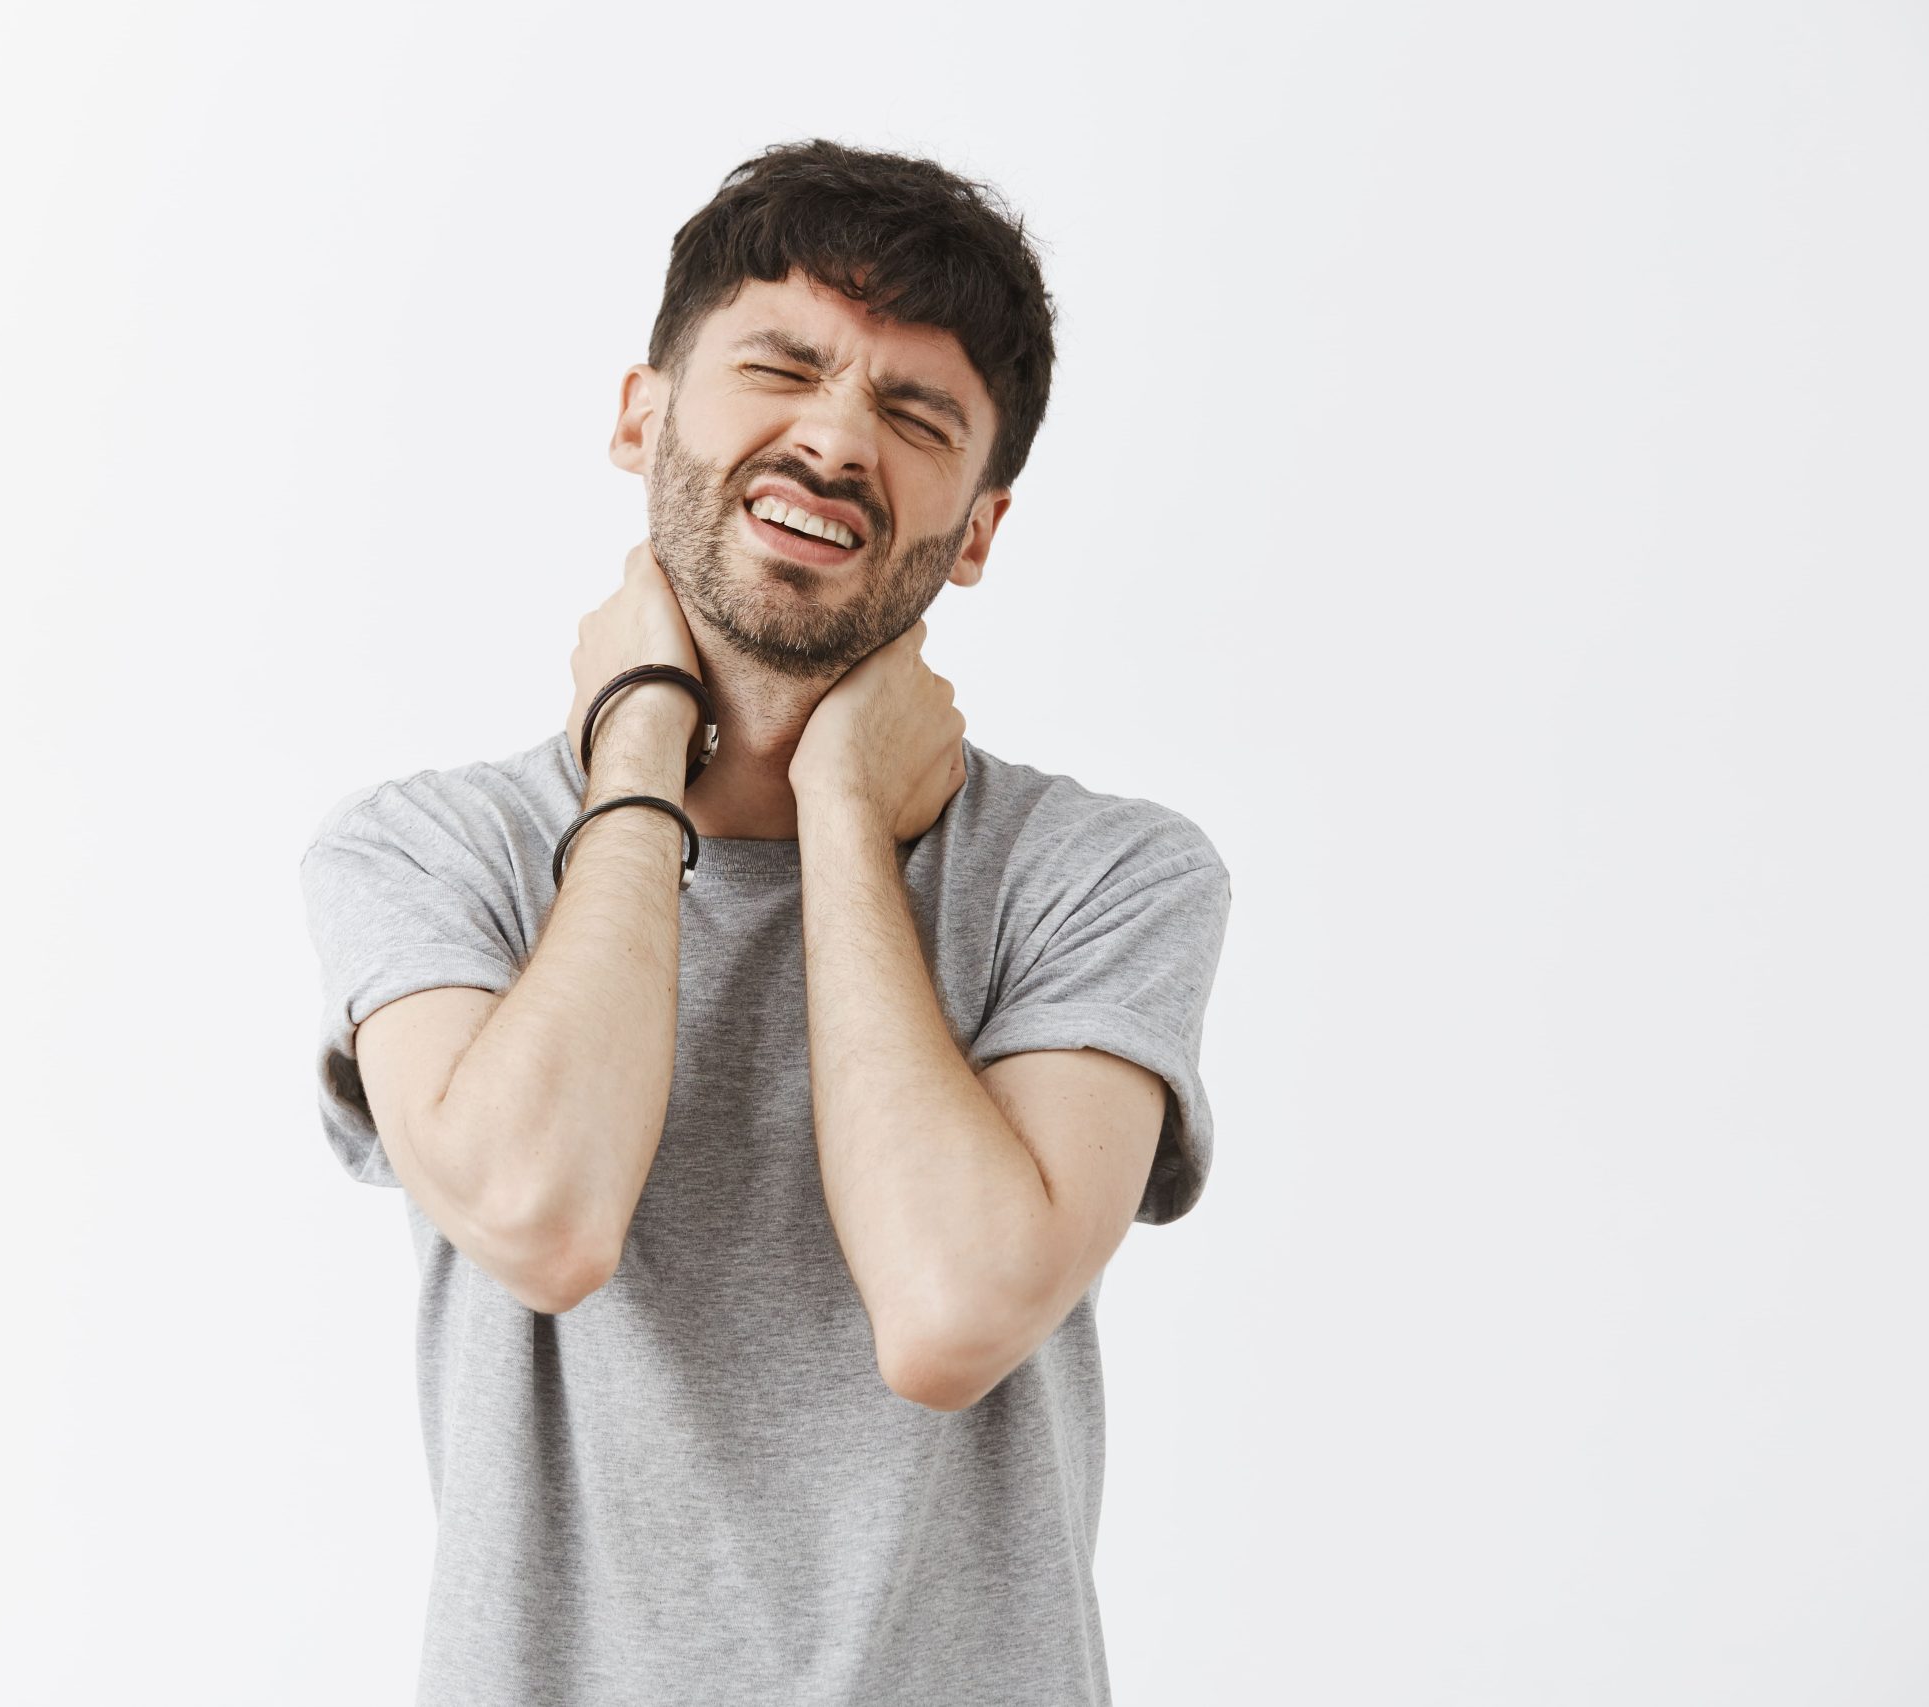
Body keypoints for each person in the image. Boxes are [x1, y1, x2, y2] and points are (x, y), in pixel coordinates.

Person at [300, 137, 1232, 1706]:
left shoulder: (1104, 877)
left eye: (914, 413)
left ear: (982, 528)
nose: (834, 438)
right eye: (783, 366)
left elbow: (952, 1314)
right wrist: (646, 739)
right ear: (641, 417)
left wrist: (845, 821)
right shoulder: (432, 852)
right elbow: (543, 1216)